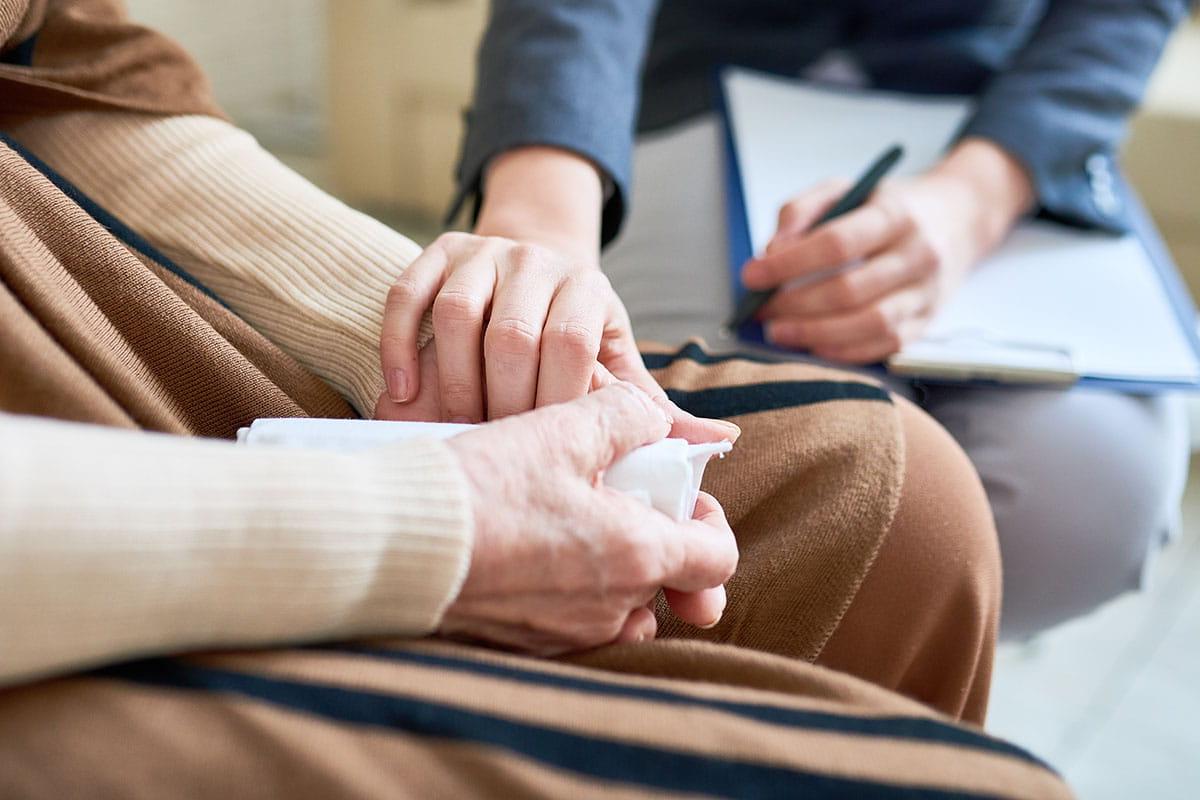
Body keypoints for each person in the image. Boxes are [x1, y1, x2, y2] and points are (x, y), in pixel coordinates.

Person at [0, 2, 1075, 796]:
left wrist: (442, 330)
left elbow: (61, 63)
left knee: (901, 497)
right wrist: (423, 529)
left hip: (59, 279)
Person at [422, 0, 1196, 639]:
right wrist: (543, 212)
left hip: (998, 115)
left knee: (1093, 499)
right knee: (698, 479)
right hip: (691, 80)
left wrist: (977, 198)